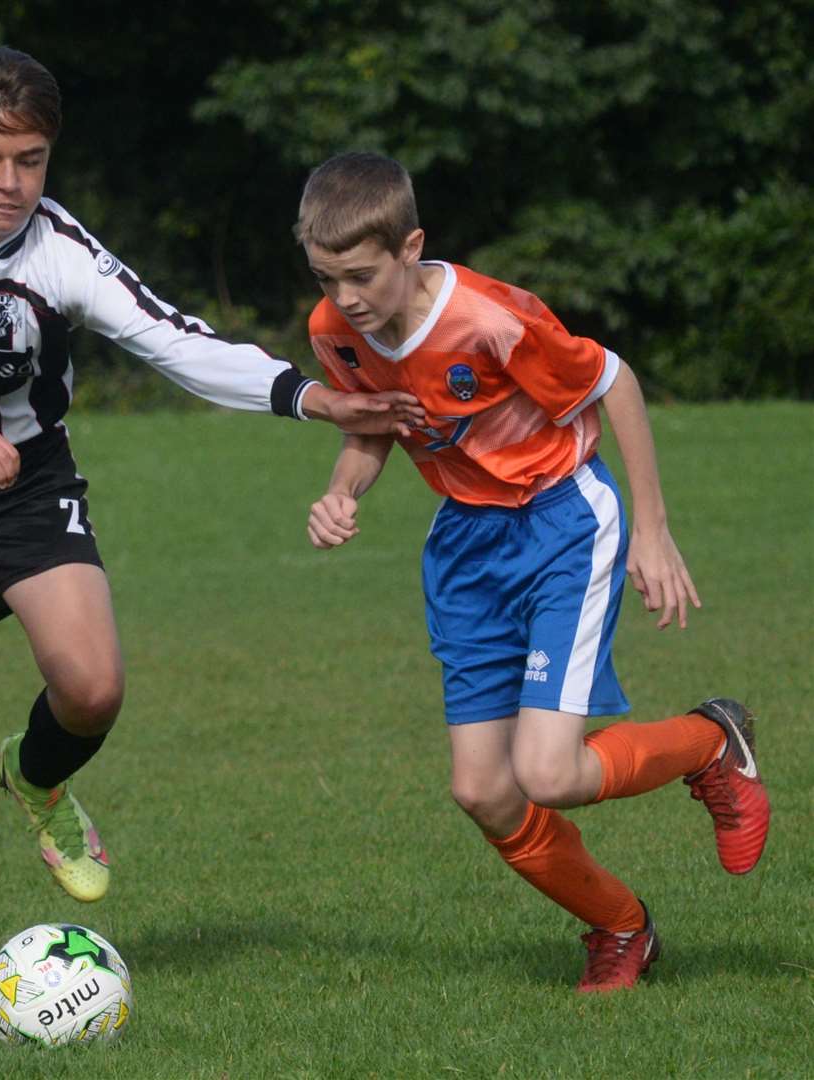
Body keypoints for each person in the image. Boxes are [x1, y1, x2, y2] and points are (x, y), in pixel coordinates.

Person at [0, 46, 425, 1000]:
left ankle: (33, 777)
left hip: (20, 471)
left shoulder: (61, 248)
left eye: (29, 159)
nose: (10, 182)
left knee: (92, 688)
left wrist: (311, 400)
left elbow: (173, 338)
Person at [296, 151, 769, 992]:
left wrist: (652, 533)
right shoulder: (334, 331)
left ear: (410, 246)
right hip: (465, 547)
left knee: (547, 773)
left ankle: (708, 743)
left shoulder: (487, 317)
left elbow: (612, 381)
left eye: (361, 275)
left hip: (559, 522)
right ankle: (621, 929)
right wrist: (341, 491)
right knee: (482, 790)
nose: (346, 299)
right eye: (327, 279)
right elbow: (370, 428)